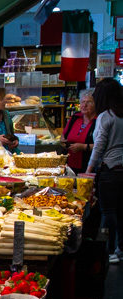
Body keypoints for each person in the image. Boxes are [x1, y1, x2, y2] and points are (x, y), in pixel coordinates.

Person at [86, 78, 123, 263]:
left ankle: (109, 251)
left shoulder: (105, 116)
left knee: (108, 212)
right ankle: (120, 248)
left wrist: (89, 170)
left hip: (110, 170)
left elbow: (99, 146)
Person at [62, 90, 96, 174]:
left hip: (89, 166)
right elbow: (63, 136)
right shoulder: (75, 118)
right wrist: (63, 142)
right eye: (83, 102)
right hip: (70, 164)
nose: (84, 105)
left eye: (89, 102)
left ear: (96, 104)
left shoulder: (99, 120)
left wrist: (83, 147)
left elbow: (102, 145)